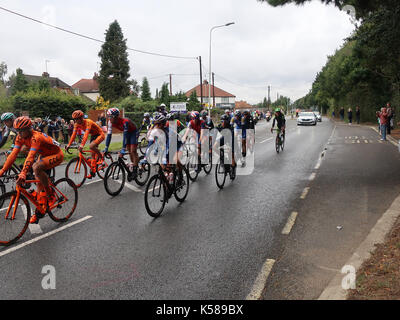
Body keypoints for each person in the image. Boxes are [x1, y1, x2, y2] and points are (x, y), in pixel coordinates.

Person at [0, 116, 64, 224]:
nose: (19, 134)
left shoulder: (36, 137)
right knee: (38, 181)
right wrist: (2, 171)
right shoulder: (20, 137)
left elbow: (31, 156)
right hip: (44, 155)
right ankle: (39, 212)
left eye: (21, 131)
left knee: (36, 167)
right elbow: (13, 155)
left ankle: (51, 195)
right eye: (17, 131)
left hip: (56, 154)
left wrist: (23, 173)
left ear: (29, 128)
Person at [66, 110, 105, 178]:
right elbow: (73, 135)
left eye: (77, 119)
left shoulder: (88, 122)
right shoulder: (76, 124)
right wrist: (69, 144)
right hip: (93, 135)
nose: (76, 121)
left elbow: (86, 134)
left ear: (81, 118)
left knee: (91, 146)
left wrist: (82, 145)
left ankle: (101, 157)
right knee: (92, 155)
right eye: (74, 119)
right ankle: (93, 171)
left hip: (100, 134)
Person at [103, 107, 139, 177]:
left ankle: (135, 169)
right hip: (127, 133)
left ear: (116, 117)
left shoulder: (125, 122)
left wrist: (123, 148)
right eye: (108, 116)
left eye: (110, 117)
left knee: (133, 151)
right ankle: (133, 163)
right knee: (129, 150)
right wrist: (106, 147)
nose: (109, 118)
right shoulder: (110, 122)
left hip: (133, 132)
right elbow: (109, 135)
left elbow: (125, 136)